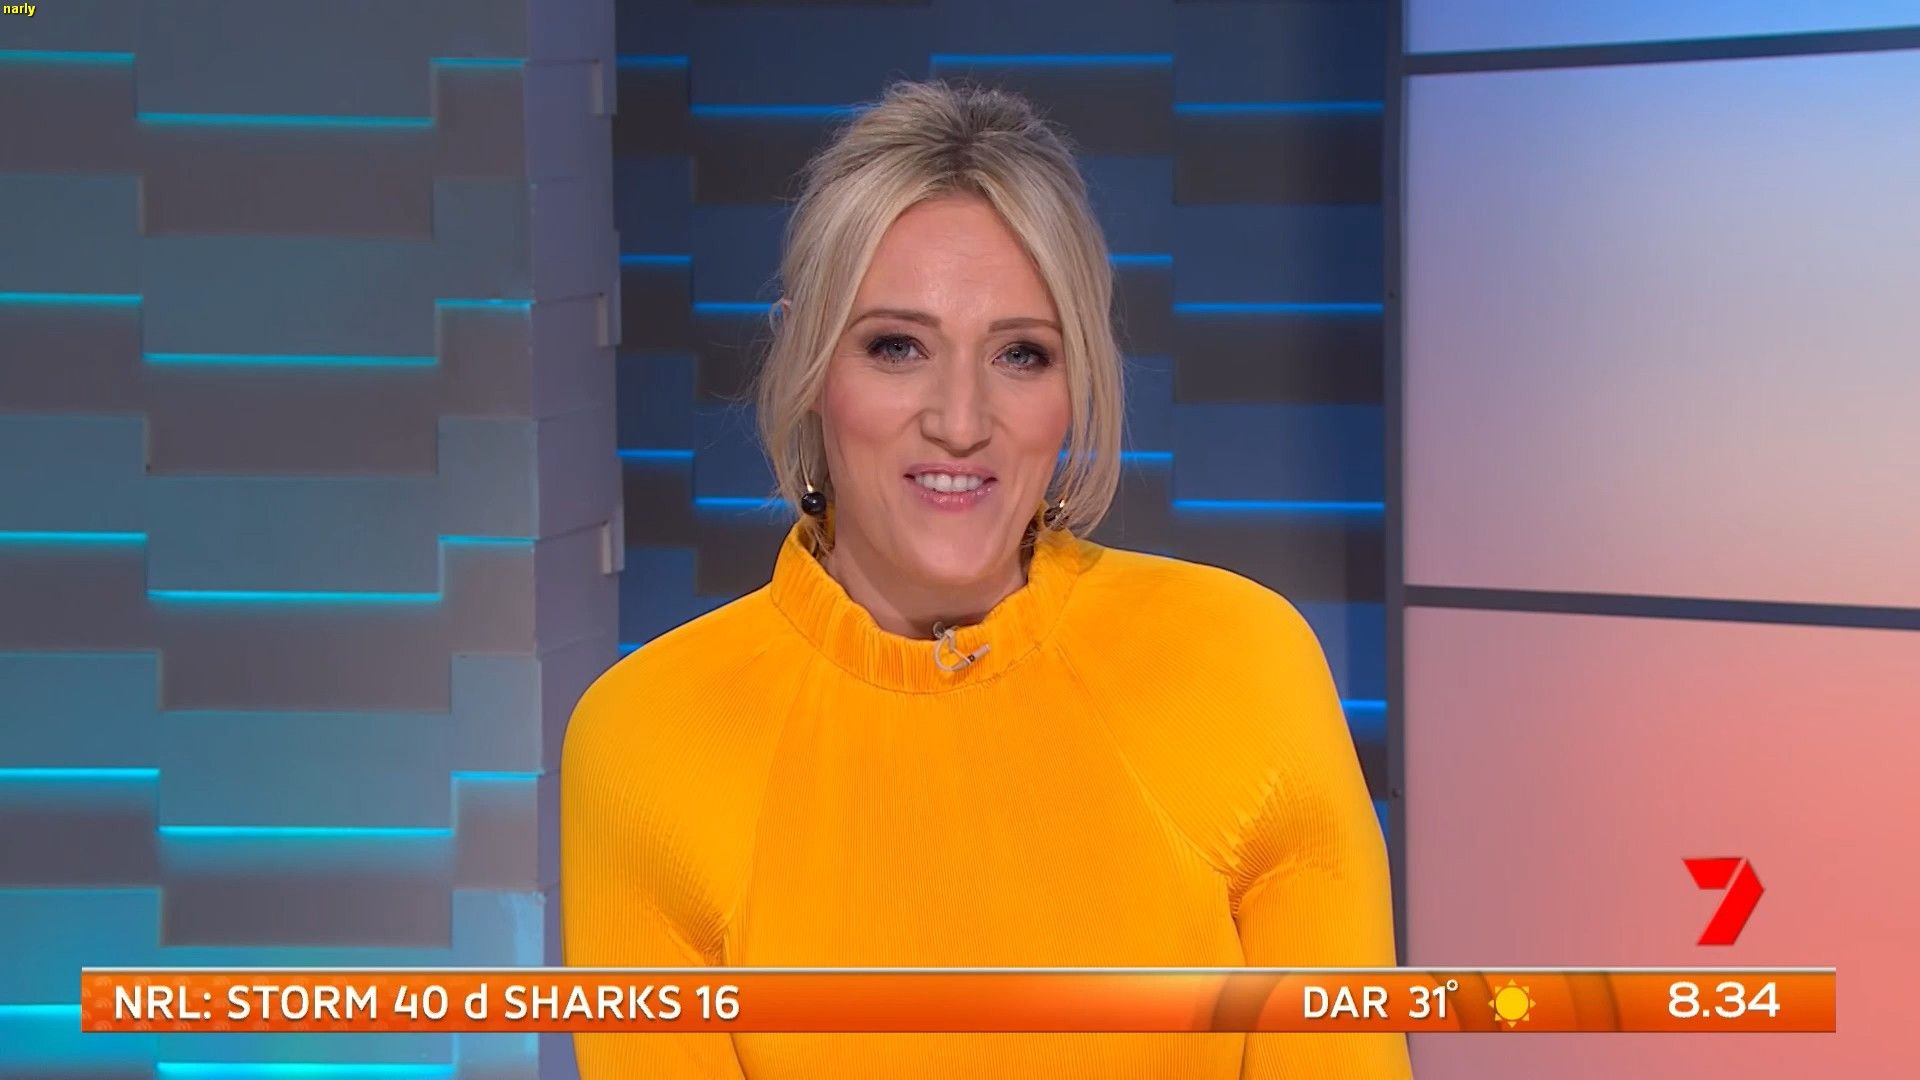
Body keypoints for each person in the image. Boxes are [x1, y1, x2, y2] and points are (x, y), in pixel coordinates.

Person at [562, 79, 1412, 1079]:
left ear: (1075, 383)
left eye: (1020, 354)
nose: (961, 421)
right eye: (897, 347)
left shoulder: (1243, 666)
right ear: (810, 365)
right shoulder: (649, 740)